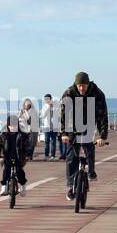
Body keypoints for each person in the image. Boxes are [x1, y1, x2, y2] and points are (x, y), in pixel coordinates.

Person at [60, 71, 109, 200]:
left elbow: (102, 116)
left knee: (89, 148)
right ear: (76, 85)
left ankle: (91, 172)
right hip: (72, 126)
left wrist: (102, 137)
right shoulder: (69, 93)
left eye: (84, 85)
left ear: (88, 84)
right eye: (79, 86)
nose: (82, 88)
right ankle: (71, 186)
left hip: (89, 124)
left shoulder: (97, 93)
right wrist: (64, 133)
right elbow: (62, 115)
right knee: (71, 157)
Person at [0, 115, 30, 196]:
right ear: (8, 126)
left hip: (19, 157)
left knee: (19, 171)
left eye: (15, 125)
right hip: (7, 156)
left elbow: (28, 145)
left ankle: (23, 185)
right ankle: (4, 186)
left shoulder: (22, 135)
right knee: (6, 170)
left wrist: (28, 155)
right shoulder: (3, 134)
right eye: (11, 125)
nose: (13, 127)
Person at [41, 93, 60, 158]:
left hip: (55, 126)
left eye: (47, 99)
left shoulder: (56, 104)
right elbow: (43, 116)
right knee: (47, 141)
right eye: (45, 99)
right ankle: (46, 155)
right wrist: (48, 108)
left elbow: (59, 114)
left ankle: (53, 155)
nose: (46, 100)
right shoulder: (45, 106)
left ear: (50, 98)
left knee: (54, 141)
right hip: (47, 126)